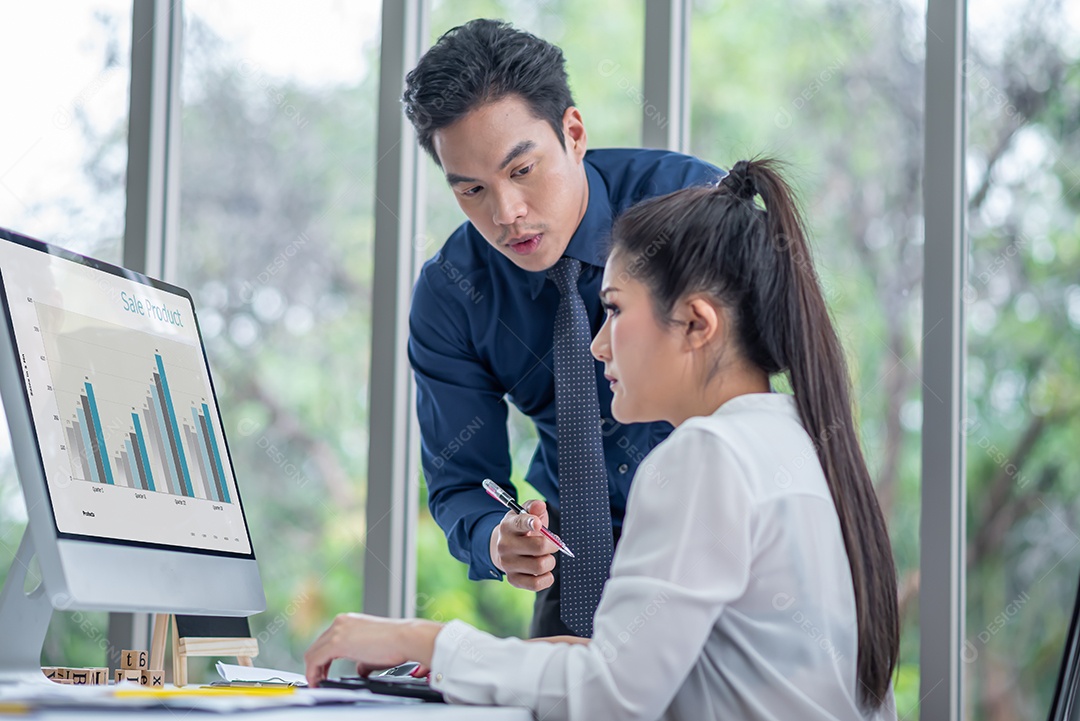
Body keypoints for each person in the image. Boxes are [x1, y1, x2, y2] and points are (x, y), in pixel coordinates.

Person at [305, 158, 901, 720]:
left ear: (696, 323)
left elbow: (612, 698)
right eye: (471, 188)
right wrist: (567, 657)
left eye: (614, 310)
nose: (597, 345)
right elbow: (717, 672)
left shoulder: (705, 456)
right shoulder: (797, 436)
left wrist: (423, 639)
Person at [403, 18, 722, 637]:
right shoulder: (452, 293)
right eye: (470, 189)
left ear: (573, 133)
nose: (505, 214)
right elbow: (464, 481)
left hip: (721, 541)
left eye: (521, 171)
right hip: (581, 566)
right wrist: (496, 539)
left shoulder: (690, 204)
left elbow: (785, 367)